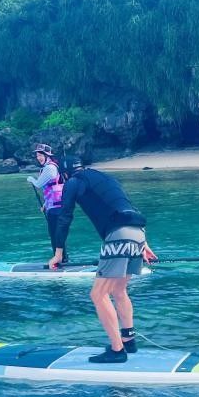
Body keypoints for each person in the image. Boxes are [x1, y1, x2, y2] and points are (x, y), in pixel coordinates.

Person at [55, 156, 157, 363]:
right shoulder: (105, 177)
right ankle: (129, 340)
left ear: (65, 174)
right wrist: (143, 244)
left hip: (119, 235)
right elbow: (124, 205)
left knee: (98, 294)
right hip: (138, 232)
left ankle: (117, 350)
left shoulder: (74, 182)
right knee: (119, 290)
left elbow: (64, 216)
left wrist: (58, 253)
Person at [26, 143, 68, 264]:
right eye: (37, 155)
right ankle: (62, 259)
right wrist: (45, 204)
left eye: (41, 155)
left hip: (56, 208)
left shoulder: (49, 168)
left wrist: (30, 179)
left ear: (47, 155)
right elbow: (50, 188)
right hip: (54, 205)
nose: (38, 157)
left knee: (55, 234)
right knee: (56, 233)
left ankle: (60, 260)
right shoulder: (50, 167)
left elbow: (38, 184)